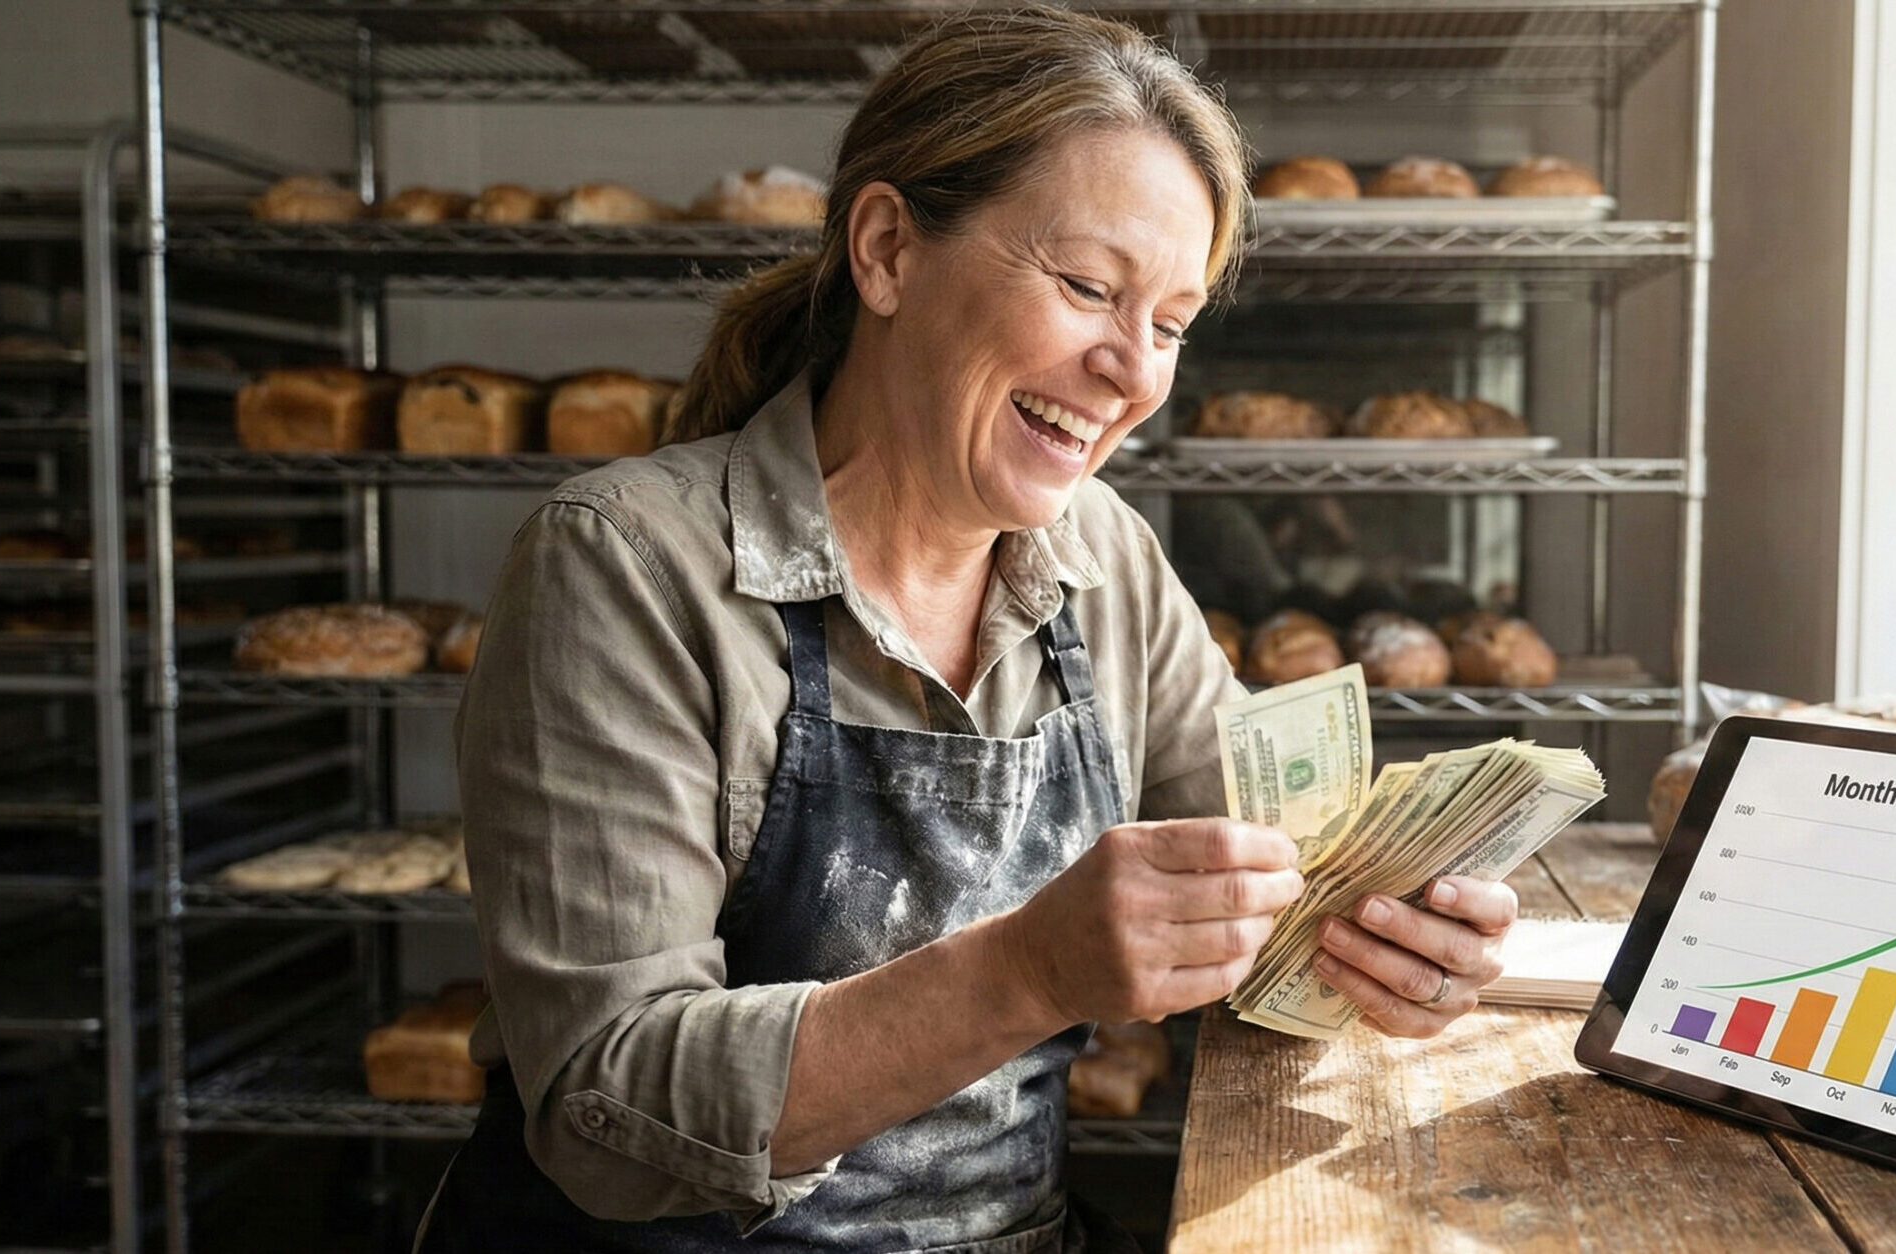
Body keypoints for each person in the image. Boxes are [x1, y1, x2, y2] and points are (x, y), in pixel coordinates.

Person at [416, 10, 1517, 1251]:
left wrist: (1389, 942)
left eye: (1168, 325)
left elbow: (1290, 896)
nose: (1136, 376)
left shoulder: (1100, 556)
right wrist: (1025, 974)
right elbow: (607, 1104)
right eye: (1090, 288)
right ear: (887, 249)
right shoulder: (626, 564)